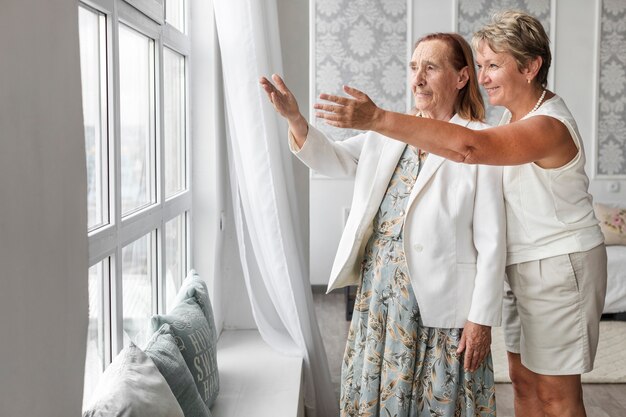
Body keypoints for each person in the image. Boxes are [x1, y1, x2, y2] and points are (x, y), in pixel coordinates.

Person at [315, 11, 607, 417]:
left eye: (493, 66)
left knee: (556, 393)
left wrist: (379, 118)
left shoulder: (547, 126)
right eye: (481, 66)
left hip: (558, 265)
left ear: (530, 67)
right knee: (523, 383)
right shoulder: (512, 118)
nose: (483, 77)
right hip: (520, 265)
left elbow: (468, 148)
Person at [261, 32, 505, 417]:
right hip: (381, 297)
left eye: (430, 67)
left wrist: (481, 319)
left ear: (461, 78)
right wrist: (295, 118)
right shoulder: (392, 133)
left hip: (441, 307)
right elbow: (333, 160)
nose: (417, 78)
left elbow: (493, 244)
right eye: (413, 68)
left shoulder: (478, 141)